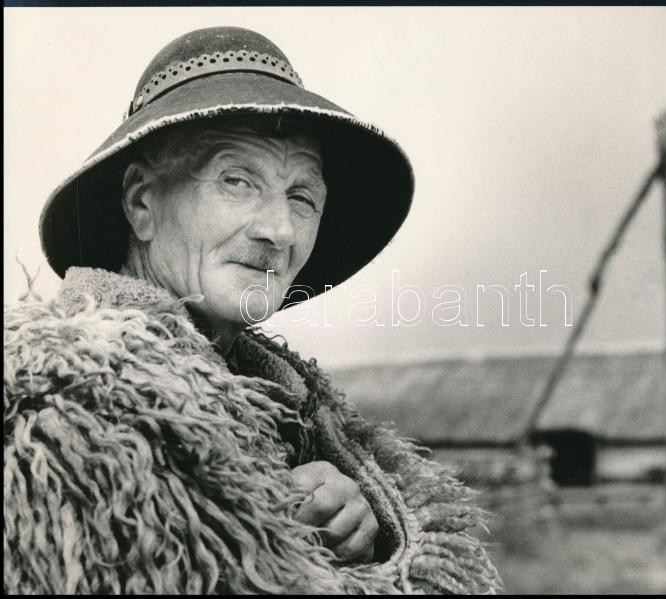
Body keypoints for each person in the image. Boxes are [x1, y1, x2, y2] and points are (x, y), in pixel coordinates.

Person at [4, 26, 501, 594]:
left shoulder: (290, 407)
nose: (280, 230)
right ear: (142, 203)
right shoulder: (60, 409)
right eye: (237, 181)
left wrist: (360, 536)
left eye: (302, 197)